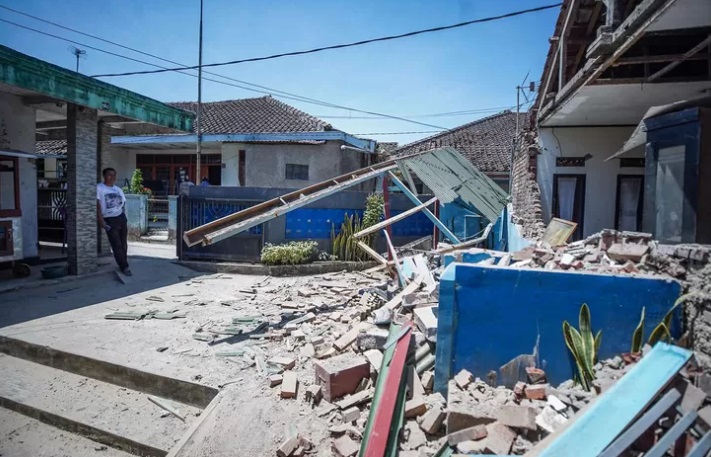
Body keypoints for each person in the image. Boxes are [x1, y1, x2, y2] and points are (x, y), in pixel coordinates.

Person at [97, 168, 131, 276]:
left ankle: (123, 263)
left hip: (121, 217)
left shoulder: (118, 189)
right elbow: (97, 205)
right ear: (104, 176)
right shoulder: (99, 188)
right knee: (116, 244)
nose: (112, 177)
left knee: (123, 244)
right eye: (109, 175)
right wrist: (101, 220)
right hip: (109, 219)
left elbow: (123, 204)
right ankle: (124, 266)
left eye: (114, 175)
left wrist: (124, 218)